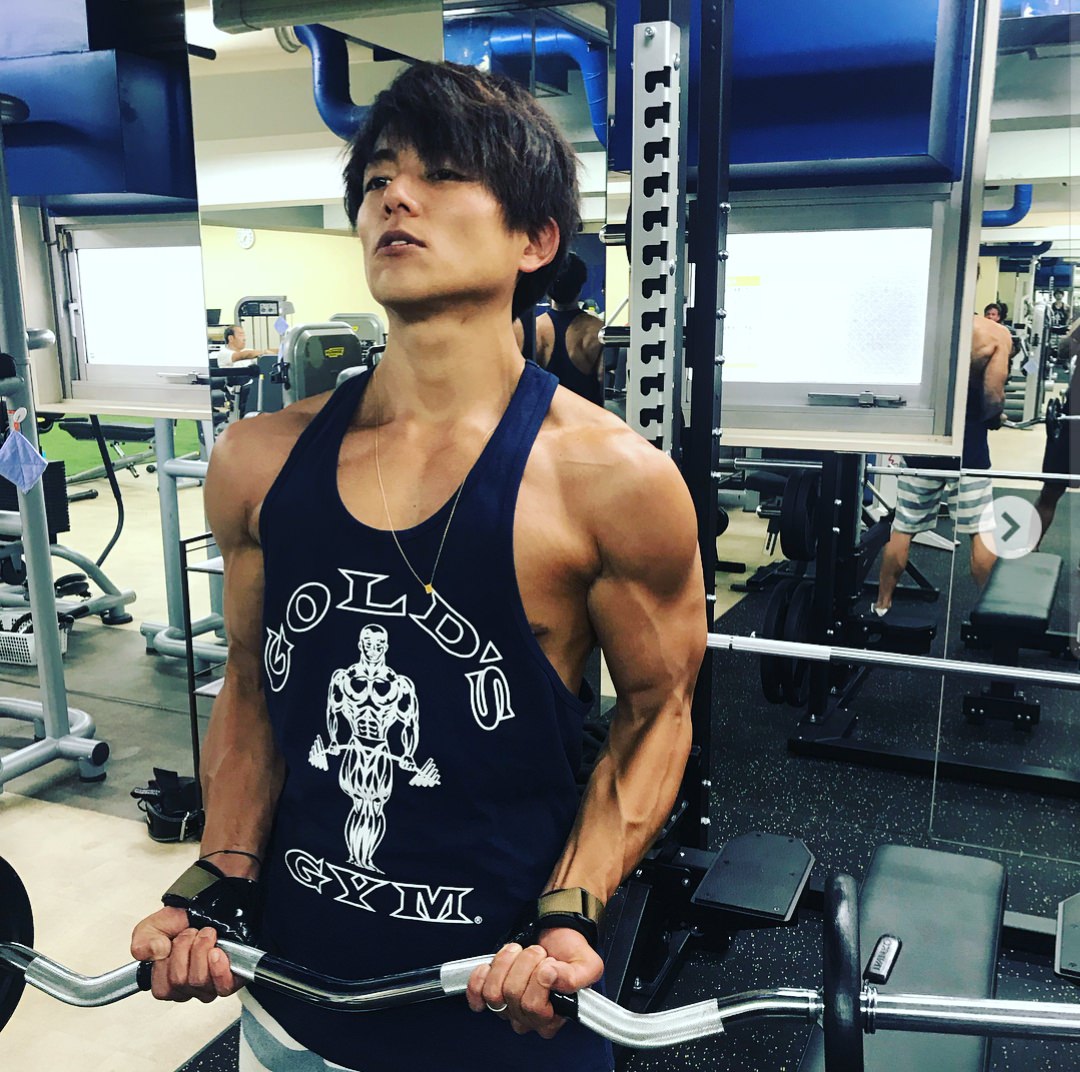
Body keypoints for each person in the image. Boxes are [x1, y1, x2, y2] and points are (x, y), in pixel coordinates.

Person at [131, 61, 706, 1072]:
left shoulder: (612, 480)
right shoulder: (258, 461)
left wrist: (571, 911)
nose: (395, 195)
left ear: (535, 240)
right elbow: (253, 688)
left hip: (505, 1007)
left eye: (441, 174)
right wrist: (220, 873)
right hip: (293, 1002)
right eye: (377, 179)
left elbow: (658, 712)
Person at [873, 314, 1013, 613]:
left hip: (924, 440)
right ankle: (992, 615)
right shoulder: (994, 333)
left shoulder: (915, 326)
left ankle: (882, 604)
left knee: (903, 528)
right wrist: (993, 419)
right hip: (969, 445)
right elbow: (993, 394)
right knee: (981, 529)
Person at [514, 252, 605, 405]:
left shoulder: (532, 329)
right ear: (580, 286)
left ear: (547, 288)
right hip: (584, 416)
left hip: (542, 417)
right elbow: (603, 383)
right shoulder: (597, 330)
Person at [1035, 319, 1079, 542]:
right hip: (1071, 423)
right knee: (1051, 491)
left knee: (1050, 492)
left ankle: (1030, 546)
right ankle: (1030, 546)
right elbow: (1063, 350)